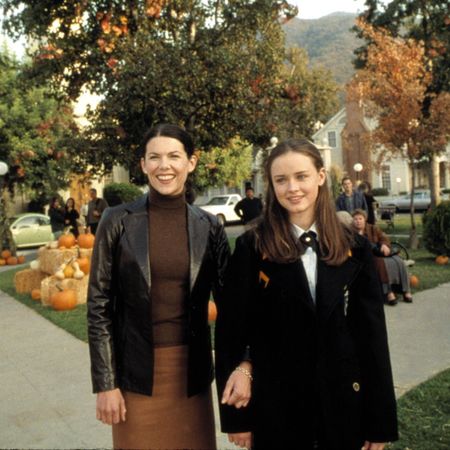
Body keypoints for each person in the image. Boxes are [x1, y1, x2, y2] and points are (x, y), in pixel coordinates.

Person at [215, 138, 398, 450]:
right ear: (271, 186)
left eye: (301, 176)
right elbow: (232, 331)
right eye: (281, 180)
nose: (292, 188)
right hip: (277, 405)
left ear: (321, 177)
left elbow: (372, 337)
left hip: (341, 402)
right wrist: (237, 418)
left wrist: (379, 421)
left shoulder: (355, 248)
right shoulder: (251, 247)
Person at [87, 123, 230, 450]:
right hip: (135, 376)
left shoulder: (209, 227)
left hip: (191, 377)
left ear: (191, 162)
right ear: (143, 165)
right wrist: (106, 384)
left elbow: (232, 309)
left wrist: (243, 367)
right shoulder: (116, 221)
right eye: (155, 157)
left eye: (174, 156)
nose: (164, 166)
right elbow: (98, 307)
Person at [352, 209, 413, 306]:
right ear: (352, 221)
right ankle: (389, 293)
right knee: (380, 263)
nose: (358, 221)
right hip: (368, 257)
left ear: (365, 220)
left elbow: (384, 238)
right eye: (355, 219)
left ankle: (406, 290)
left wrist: (384, 245)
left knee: (399, 261)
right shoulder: (351, 232)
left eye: (360, 218)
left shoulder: (373, 228)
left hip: (381, 252)